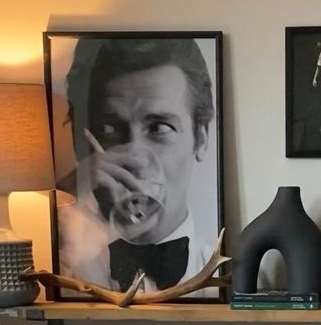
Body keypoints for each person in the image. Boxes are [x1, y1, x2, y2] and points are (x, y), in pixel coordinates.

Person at [58, 37, 215, 292]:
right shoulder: (58, 270)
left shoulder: (233, 279)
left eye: (159, 128)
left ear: (201, 138)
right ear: (80, 143)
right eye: (110, 130)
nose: (135, 159)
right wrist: (65, 197)